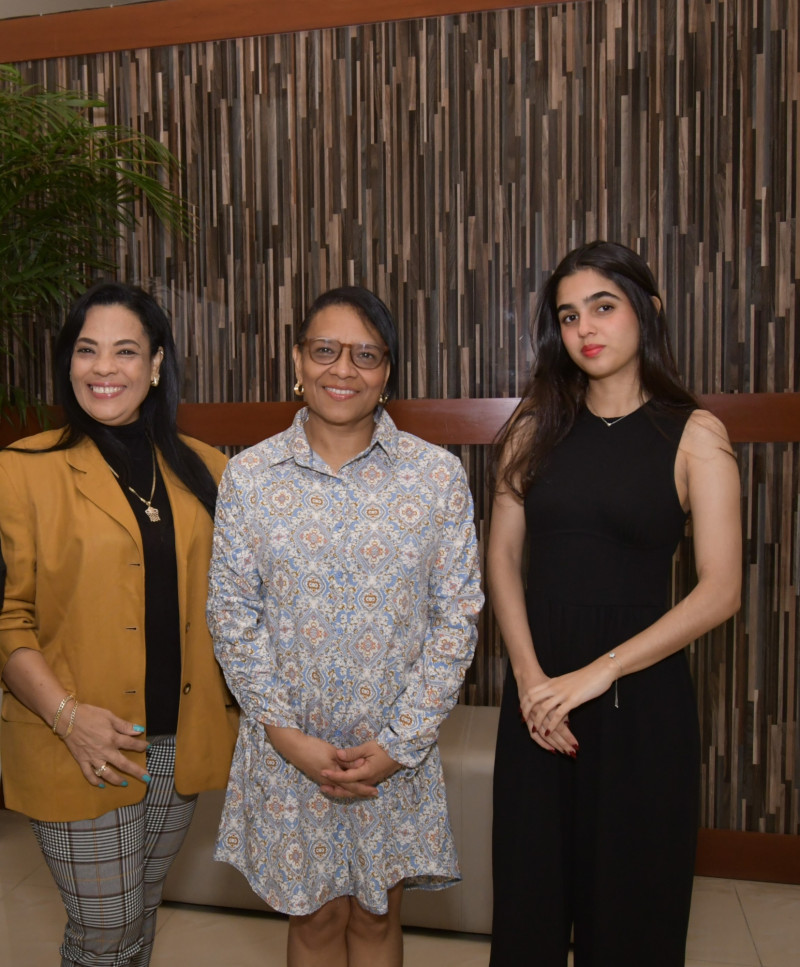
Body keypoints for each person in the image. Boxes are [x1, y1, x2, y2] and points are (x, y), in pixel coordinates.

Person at [208, 285, 483, 967]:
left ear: (388, 373)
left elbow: (459, 618)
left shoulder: (436, 477)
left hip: (394, 751)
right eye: (325, 350)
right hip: (288, 748)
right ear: (296, 361)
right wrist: (285, 733)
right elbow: (233, 616)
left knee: (375, 914)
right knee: (317, 918)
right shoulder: (248, 476)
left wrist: (401, 741)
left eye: (366, 354)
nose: (343, 369)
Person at [488, 241, 742, 966]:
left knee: (633, 915)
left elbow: (721, 589)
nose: (585, 328)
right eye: (568, 315)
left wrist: (598, 673)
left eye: (603, 305)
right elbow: (502, 560)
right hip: (538, 702)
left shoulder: (695, 433)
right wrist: (534, 679)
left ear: (648, 312)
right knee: (528, 911)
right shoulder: (533, 427)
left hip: (643, 700)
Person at [0, 282, 238, 967]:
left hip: (178, 742)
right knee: (102, 934)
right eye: (87, 350)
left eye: (125, 350)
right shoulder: (23, 471)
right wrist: (69, 716)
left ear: (157, 364)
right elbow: (8, 618)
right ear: (67, 363)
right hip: (77, 738)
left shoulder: (209, 471)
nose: (104, 368)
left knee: (136, 919)